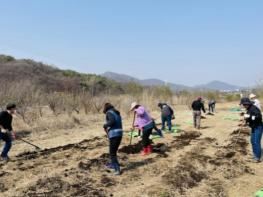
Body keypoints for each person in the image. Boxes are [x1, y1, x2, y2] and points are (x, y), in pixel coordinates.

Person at [240, 98, 263, 163]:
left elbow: (258, 117)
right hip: (253, 127)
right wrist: (245, 121)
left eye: (244, 105)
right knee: (252, 141)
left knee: (256, 142)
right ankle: (254, 155)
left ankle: (257, 158)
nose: (243, 106)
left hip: (258, 127)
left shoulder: (254, 108)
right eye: (243, 105)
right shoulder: (249, 109)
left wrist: (249, 117)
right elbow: (248, 117)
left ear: (247, 104)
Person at [103, 103, 123, 175]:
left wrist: (105, 125)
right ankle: (112, 164)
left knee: (112, 153)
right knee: (113, 151)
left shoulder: (109, 112)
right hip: (119, 133)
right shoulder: (116, 112)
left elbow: (112, 122)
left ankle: (117, 169)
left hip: (114, 134)